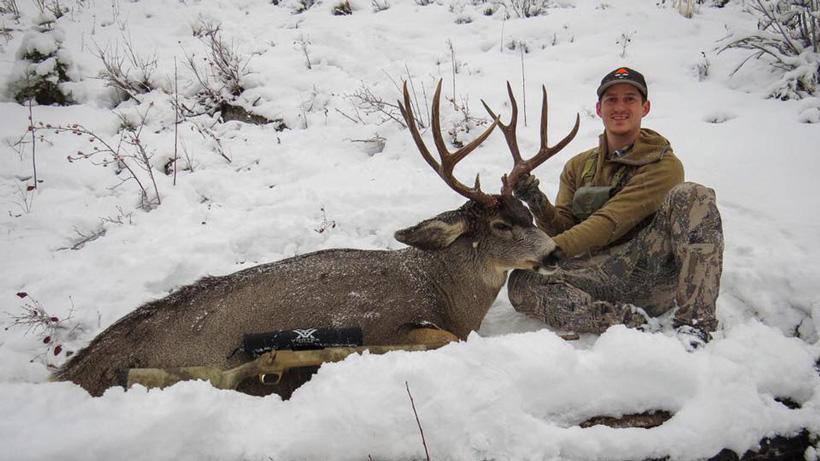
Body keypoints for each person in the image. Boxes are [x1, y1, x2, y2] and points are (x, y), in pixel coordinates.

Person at [509, 67, 724, 347]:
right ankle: (624, 322)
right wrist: (535, 201)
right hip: (599, 275)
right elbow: (566, 227)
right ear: (599, 109)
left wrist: (546, 251)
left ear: (645, 107)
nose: (620, 107)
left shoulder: (664, 165)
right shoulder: (578, 166)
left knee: (692, 196)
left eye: (630, 99)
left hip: (651, 274)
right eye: (611, 100)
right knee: (521, 282)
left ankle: (695, 324)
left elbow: (611, 220)